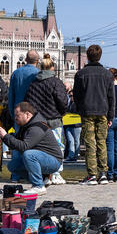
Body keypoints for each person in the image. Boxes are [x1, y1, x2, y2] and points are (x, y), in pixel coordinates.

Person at [0, 102, 63, 194]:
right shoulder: (26, 126)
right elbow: (15, 144)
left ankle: (38, 186)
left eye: (17, 115)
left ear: (27, 114)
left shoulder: (37, 127)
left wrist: (6, 136)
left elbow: (24, 147)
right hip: (42, 158)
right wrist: (4, 137)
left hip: (54, 161)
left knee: (28, 154)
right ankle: (43, 178)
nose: (15, 118)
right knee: (13, 165)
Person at [24, 53, 68, 184]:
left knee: (42, 148)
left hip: (39, 123)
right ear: (52, 68)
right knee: (58, 147)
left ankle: (45, 176)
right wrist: (62, 112)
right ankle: (56, 173)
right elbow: (63, 101)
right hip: (54, 120)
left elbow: (29, 103)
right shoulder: (56, 82)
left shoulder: (33, 83)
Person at [74, 44, 114, 185]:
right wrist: (111, 116)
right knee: (102, 142)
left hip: (87, 112)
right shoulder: (108, 74)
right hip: (103, 111)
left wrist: (80, 110)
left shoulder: (81, 74)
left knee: (90, 143)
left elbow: (76, 96)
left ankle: (92, 174)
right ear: (100, 56)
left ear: (88, 57)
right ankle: (103, 173)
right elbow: (111, 97)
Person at [63, 81, 81, 162]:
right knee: (70, 141)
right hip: (69, 125)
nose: (71, 97)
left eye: (72, 95)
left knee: (76, 141)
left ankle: (75, 156)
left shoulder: (78, 104)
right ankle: (71, 156)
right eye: (70, 96)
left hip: (76, 125)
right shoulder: (69, 103)